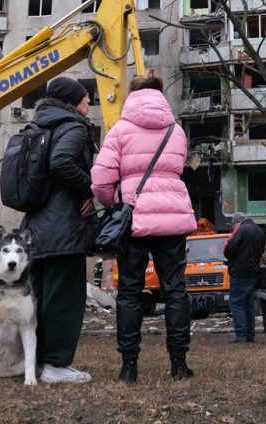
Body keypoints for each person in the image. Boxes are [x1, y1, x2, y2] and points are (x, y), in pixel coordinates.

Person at [91, 70, 197, 383]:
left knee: (129, 291)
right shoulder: (176, 131)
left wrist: (114, 204)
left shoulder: (120, 130)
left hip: (133, 218)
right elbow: (177, 168)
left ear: (133, 95)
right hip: (172, 216)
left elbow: (100, 181)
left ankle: (129, 367)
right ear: (160, 93)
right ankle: (179, 364)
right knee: (175, 289)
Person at [22, 77, 98, 383]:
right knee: (64, 297)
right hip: (64, 226)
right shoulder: (74, 126)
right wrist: (88, 189)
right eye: (85, 97)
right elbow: (62, 162)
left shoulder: (36, 128)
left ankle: (35, 362)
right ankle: (56, 365)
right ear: (71, 100)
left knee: (37, 298)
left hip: (35, 226)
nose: (89, 102)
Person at [224, 213, 266, 343]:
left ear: (237, 222)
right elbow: (262, 250)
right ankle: (250, 335)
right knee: (249, 304)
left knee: (236, 303)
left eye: (233, 225)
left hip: (240, 272)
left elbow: (230, 248)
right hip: (253, 271)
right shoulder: (258, 230)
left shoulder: (241, 229)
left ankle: (240, 335)